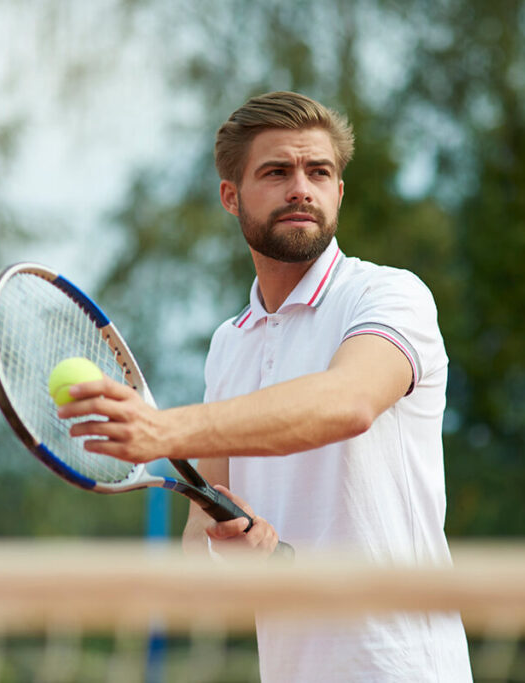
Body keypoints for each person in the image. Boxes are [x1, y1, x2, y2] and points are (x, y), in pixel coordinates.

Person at [57, 91, 472, 682]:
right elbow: (204, 526)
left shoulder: (389, 296)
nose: (301, 187)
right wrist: (232, 550)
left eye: (318, 172)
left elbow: (347, 402)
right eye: (277, 172)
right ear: (232, 197)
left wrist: (161, 429)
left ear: (339, 193)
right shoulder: (230, 342)